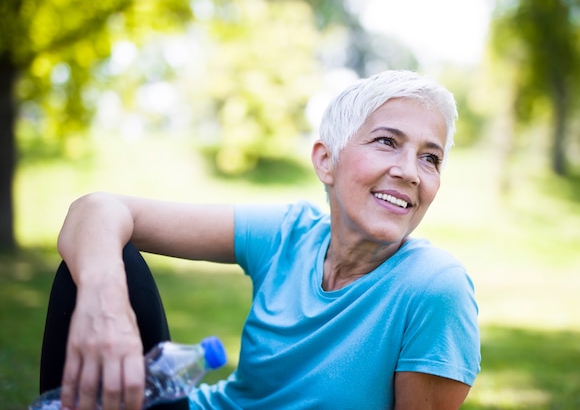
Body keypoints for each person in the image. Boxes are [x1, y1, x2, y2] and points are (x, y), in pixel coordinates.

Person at [38, 70, 481, 410]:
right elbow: (95, 210)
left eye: (431, 158)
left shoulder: (435, 287)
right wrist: (106, 306)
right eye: (387, 141)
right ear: (326, 161)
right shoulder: (288, 234)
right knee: (100, 264)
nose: (409, 171)